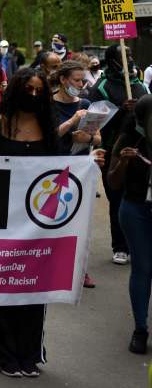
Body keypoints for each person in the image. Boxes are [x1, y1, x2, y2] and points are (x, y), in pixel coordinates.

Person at [0, 68, 104, 377]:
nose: (33, 96)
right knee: (4, 287)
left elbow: (63, 168)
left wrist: (90, 161)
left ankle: (31, 354)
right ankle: (5, 354)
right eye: (28, 90)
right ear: (16, 92)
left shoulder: (49, 130)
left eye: (38, 91)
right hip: (2, 221)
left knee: (35, 287)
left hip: (38, 224)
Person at [90, 43, 149, 265]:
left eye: (131, 54)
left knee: (140, 199)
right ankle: (120, 246)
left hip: (141, 153)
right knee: (117, 199)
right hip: (112, 150)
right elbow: (95, 121)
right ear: (112, 59)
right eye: (124, 55)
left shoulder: (140, 85)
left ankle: (138, 245)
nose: (130, 58)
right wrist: (120, 110)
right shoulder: (102, 87)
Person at [108, 95, 152, 354]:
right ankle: (140, 328)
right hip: (135, 210)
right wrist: (123, 162)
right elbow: (113, 183)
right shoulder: (128, 141)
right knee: (143, 268)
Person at [52, 60, 100, 288]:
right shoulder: (49, 104)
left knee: (79, 222)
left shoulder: (87, 103)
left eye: (83, 80)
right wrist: (72, 121)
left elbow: (98, 137)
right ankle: (49, 265)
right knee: (53, 219)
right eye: (77, 80)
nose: (81, 85)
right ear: (63, 80)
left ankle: (80, 269)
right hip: (52, 169)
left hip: (80, 170)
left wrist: (88, 139)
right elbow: (49, 136)